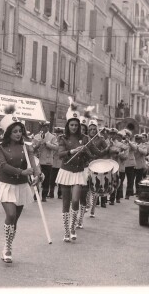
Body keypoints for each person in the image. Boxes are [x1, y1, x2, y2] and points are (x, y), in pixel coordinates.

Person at [0, 105, 40, 263]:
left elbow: (33, 163)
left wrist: (39, 174)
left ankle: (8, 245)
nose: (18, 134)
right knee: (11, 215)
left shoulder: (26, 147)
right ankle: (7, 247)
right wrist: (21, 172)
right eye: (15, 131)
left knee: (15, 220)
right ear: (8, 133)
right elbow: (3, 166)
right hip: (6, 184)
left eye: (20, 131)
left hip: (21, 186)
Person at [56, 101, 89, 242]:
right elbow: (60, 154)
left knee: (75, 200)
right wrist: (71, 151)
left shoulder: (85, 139)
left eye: (76, 125)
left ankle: (73, 227)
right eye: (72, 125)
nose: (74, 127)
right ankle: (66, 230)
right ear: (68, 126)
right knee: (66, 201)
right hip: (66, 171)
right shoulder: (63, 138)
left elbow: (91, 157)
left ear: (79, 126)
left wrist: (85, 150)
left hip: (79, 172)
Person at [82, 119, 109, 220]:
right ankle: (87, 204)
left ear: (97, 129)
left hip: (97, 165)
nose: (93, 131)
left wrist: (102, 153)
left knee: (94, 187)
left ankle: (93, 208)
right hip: (86, 164)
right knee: (85, 185)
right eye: (91, 129)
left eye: (94, 129)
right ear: (88, 130)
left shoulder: (101, 139)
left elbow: (106, 151)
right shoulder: (85, 138)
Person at [32, 121, 58, 202]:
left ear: (48, 127)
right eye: (42, 126)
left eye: (46, 126)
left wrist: (48, 144)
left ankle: (44, 196)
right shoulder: (36, 136)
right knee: (37, 177)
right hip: (38, 161)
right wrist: (37, 145)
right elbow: (32, 148)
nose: (44, 128)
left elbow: (56, 147)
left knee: (46, 180)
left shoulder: (52, 137)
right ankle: (36, 194)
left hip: (47, 161)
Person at [48, 127, 64, 199]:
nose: (58, 135)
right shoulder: (53, 140)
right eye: (57, 133)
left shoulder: (63, 141)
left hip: (61, 163)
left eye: (59, 133)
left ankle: (60, 194)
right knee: (52, 180)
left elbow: (57, 148)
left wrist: (48, 144)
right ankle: (51, 193)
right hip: (54, 163)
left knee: (60, 180)